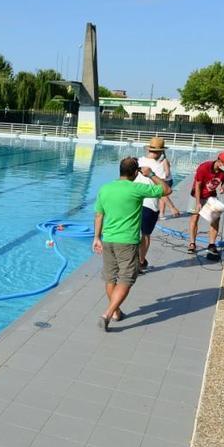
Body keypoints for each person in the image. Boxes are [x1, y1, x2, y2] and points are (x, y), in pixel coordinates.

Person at [93, 157, 171, 332]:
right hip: (127, 242)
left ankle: (116, 312)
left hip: (108, 239)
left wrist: (96, 238)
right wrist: (151, 174)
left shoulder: (105, 188)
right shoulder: (136, 188)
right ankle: (107, 314)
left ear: (119, 170)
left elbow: (98, 215)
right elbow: (167, 190)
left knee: (110, 277)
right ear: (136, 173)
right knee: (127, 279)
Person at [187, 152, 224, 255]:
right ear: (219, 161)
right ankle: (192, 243)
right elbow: (198, 185)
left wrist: (223, 187)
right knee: (195, 218)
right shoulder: (204, 167)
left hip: (211, 195)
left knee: (216, 219)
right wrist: (198, 202)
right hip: (196, 194)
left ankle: (211, 244)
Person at [134, 137, 168, 273]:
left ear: (149, 149)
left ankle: (131, 261)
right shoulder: (159, 167)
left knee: (133, 233)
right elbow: (163, 189)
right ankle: (141, 262)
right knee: (146, 235)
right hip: (150, 205)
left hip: (134, 202)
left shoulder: (136, 162)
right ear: (160, 152)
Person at [157, 151, 181, 219]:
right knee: (162, 198)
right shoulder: (157, 161)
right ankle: (161, 214)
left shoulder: (164, 161)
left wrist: (157, 178)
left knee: (163, 196)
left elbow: (167, 173)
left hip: (166, 181)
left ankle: (169, 210)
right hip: (162, 180)